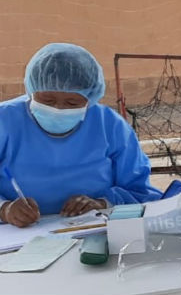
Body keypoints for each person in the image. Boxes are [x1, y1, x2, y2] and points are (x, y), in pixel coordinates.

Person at [0, 43, 162, 227]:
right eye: (47, 100)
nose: (58, 109)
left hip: (91, 228)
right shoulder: (5, 121)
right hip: (14, 235)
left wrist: (102, 203)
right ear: (31, 91)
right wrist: (5, 209)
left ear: (90, 99)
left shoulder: (109, 125)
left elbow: (139, 189)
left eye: (72, 102)